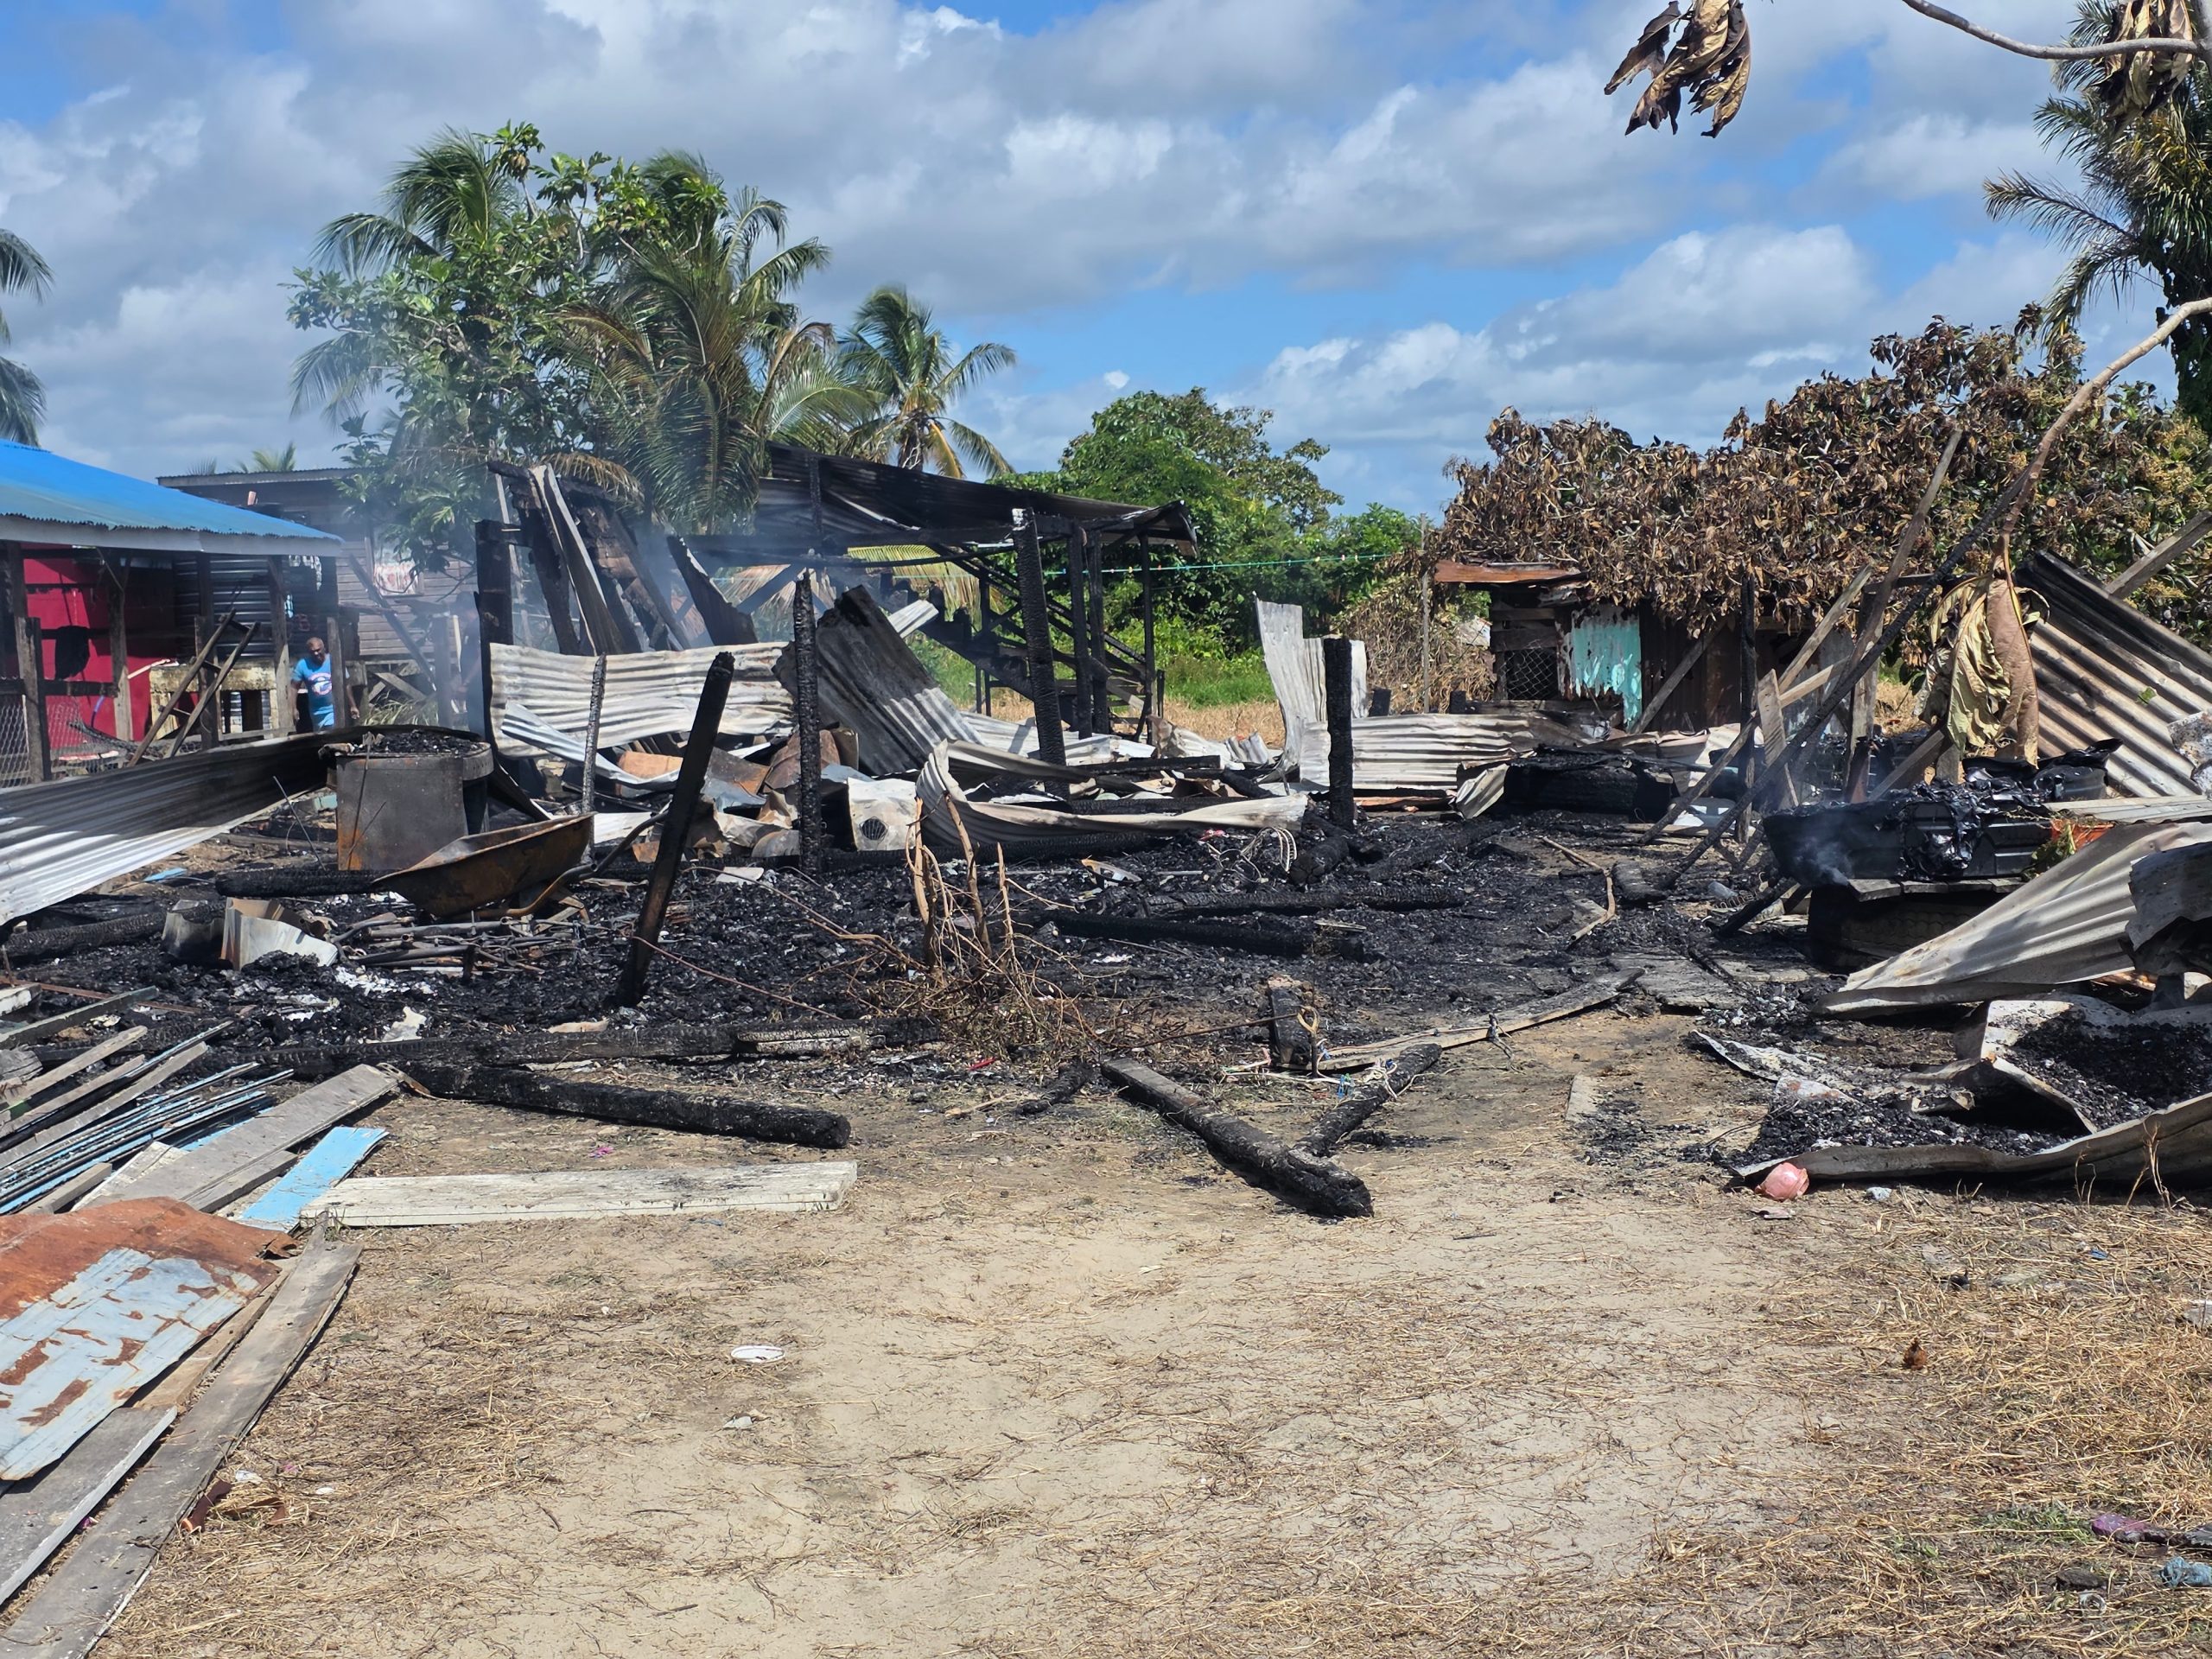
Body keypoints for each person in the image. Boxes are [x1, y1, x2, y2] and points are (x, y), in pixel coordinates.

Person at [292, 636, 337, 730]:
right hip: (316, 712)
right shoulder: (303, 665)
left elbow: (346, 684)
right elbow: (294, 687)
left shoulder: (334, 661)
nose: (316, 653)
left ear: (324, 648)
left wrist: (352, 705)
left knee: (332, 732)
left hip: (333, 709)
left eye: (318, 650)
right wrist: (293, 708)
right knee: (321, 739)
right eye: (312, 652)